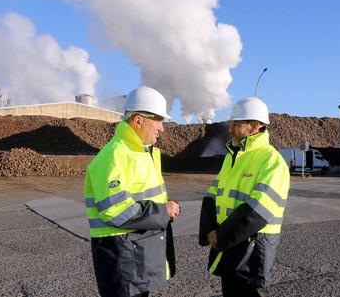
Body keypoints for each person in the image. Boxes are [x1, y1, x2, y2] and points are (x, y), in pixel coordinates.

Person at [84, 86, 180, 297]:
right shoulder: (115, 155)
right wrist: (163, 211)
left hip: (134, 259)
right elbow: (116, 210)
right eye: (158, 121)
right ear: (138, 120)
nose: (162, 128)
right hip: (122, 262)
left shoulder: (140, 153)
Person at [199, 97, 290, 297]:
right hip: (230, 245)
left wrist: (220, 238)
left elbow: (259, 210)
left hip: (254, 250)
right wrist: (209, 229)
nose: (231, 128)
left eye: (236, 123)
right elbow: (211, 196)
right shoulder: (233, 157)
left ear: (255, 126)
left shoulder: (271, 161)